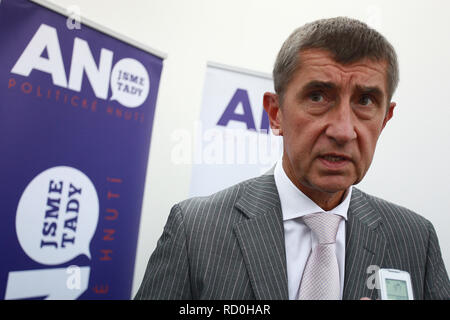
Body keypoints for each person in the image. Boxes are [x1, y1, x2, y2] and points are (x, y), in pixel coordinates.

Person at [135, 17, 450, 300]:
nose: (343, 131)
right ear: (276, 114)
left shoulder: (415, 239)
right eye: (317, 97)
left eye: (365, 100)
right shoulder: (197, 230)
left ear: (385, 119)